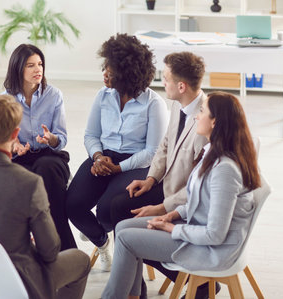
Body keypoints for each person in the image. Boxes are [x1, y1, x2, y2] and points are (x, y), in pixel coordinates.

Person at [102, 91, 261, 299]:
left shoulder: (225, 169)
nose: (196, 116)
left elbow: (215, 234)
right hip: (195, 227)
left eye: (202, 111)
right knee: (123, 226)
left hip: (211, 248)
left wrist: (171, 228)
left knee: (125, 240)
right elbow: (199, 201)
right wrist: (172, 215)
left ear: (215, 122)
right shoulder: (212, 151)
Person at [0, 95, 90, 299]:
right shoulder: (29, 182)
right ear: (16, 133)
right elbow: (49, 251)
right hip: (14, 283)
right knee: (81, 260)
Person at [66, 33, 168, 271]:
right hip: (104, 157)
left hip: (135, 164)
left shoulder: (154, 104)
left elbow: (152, 152)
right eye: (105, 68)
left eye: (110, 70)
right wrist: (98, 157)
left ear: (126, 74)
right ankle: (101, 241)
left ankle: (118, 249)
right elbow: (91, 135)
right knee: (72, 204)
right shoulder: (102, 96)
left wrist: (119, 167)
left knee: (106, 209)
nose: (105, 74)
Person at [3, 44, 76, 250]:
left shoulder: (53, 95)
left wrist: (51, 138)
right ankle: (36, 249)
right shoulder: (5, 98)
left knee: (46, 169)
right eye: (30, 65)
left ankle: (64, 249)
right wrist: (13, 144)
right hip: (20, 158)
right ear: (18, 69)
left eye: (40, 64)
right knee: (24, 179)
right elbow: (2, 138)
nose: (38, 70)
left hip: (49, 155)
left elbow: (61, 138)